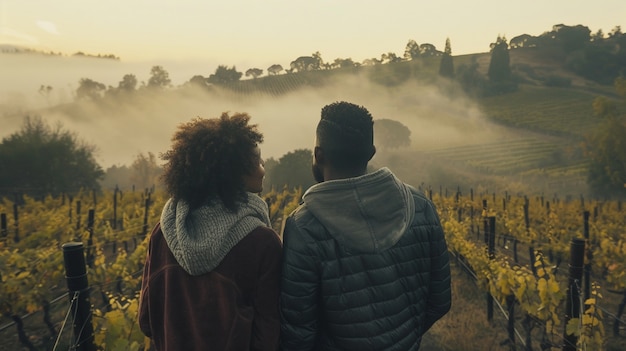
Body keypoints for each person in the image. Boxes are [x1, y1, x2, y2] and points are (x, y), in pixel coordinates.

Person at [279, 101, 451, 350]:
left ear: (318, 155)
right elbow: (440, 300)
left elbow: (298, 330)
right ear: (371, 152)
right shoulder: (420, 204)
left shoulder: (304, 227)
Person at [138, 113, 282, 351]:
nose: (263, 169)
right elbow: (269, 332)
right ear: (235, 174)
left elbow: (146, 320)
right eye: (258, 162)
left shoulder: (163, 233)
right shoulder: (262, 243)